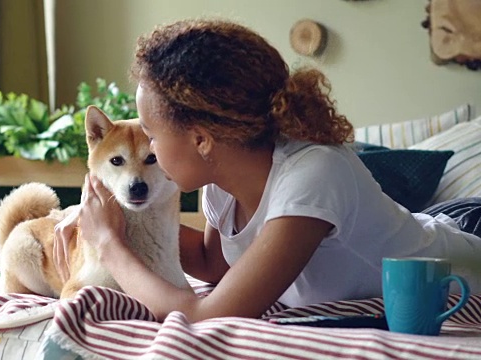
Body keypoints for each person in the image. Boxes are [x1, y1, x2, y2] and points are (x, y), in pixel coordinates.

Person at [54, 18, 481, 323]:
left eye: (150, 134)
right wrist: (111, 217)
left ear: (202, 139)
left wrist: (110, 245)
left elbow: (207, 313)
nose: (149, 150)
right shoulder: (220, 181)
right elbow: (212, 264)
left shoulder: (312, 177)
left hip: (465, 265)